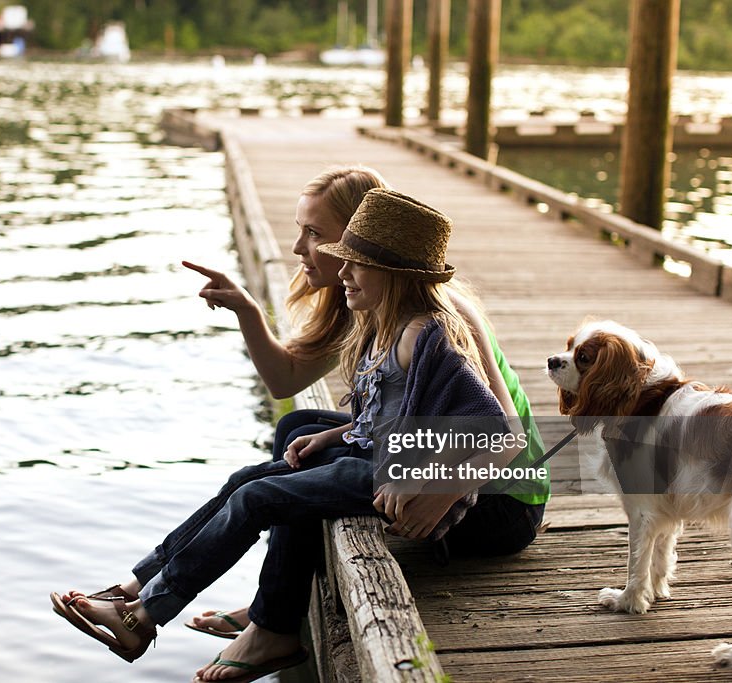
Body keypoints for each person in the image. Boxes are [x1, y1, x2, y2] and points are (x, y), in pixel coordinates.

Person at [50, 189, 525, 682]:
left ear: (397, 275)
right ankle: (141, 591)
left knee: (259, 497)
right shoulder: (390, 323)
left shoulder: (426, 333)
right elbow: (391, 413)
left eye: (354, 264)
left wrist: (431, 487)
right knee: (249, 477)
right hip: (381, 458)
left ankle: (145, 618)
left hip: (409, 476)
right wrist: (335, 435)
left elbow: (496, 429)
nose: (340, 272)